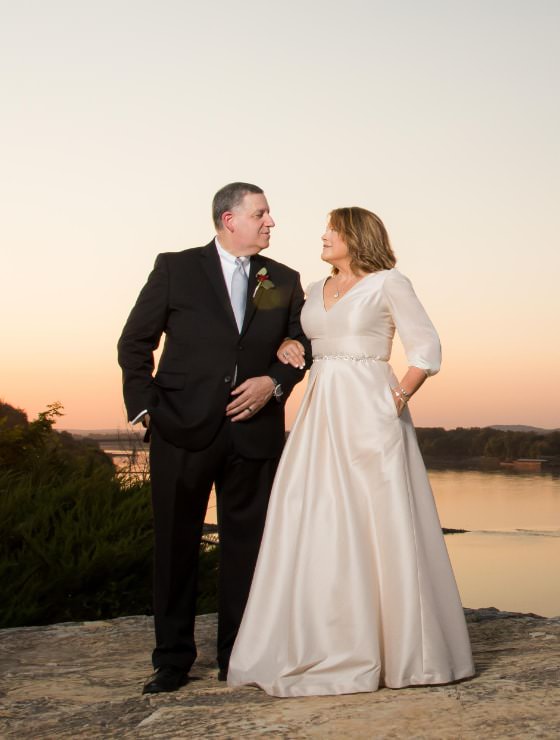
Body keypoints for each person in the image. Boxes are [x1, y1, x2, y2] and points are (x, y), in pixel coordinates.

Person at [228, 207, 475, 697]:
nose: (323, 236)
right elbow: (294, 334)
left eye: (332, 230)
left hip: (370, 408)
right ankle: (317, 636)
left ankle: (398, 649)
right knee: (312, 513)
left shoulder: (389, 282)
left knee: (376, 515)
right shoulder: (310, 288)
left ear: (355, 236)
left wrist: (396, 399)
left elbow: (425, 348)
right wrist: (285, 346)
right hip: (320, 409)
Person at [117, 182, 309, 694]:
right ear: (230, 219)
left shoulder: (283, 279)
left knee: (248, 549)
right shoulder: (176, 268)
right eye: (262, 214)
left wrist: (275, 382)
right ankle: (173, 660)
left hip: (255, 434)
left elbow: (302, 340)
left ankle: (237, 657)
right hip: (181, 428)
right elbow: (134, 342)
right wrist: (146, 409)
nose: (271, 223)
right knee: (175, 545)